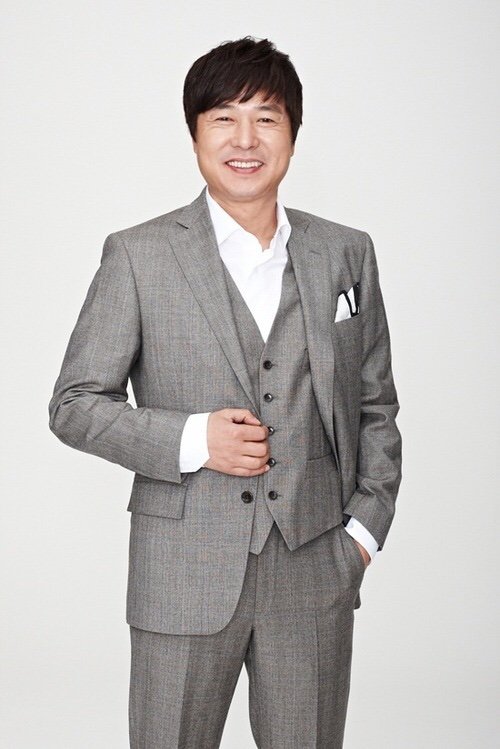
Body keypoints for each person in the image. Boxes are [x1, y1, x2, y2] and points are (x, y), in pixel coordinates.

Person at [48, 36, 402, 749]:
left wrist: (362, 536)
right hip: (181, 572)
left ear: (293, 134)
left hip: (315, 569)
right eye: (224, 119)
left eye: (266, 118)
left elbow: (376, 406)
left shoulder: (345, 253)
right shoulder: (139, 254)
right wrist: (192, 439)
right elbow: (75, 403)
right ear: (195, 135)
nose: (246, 139)